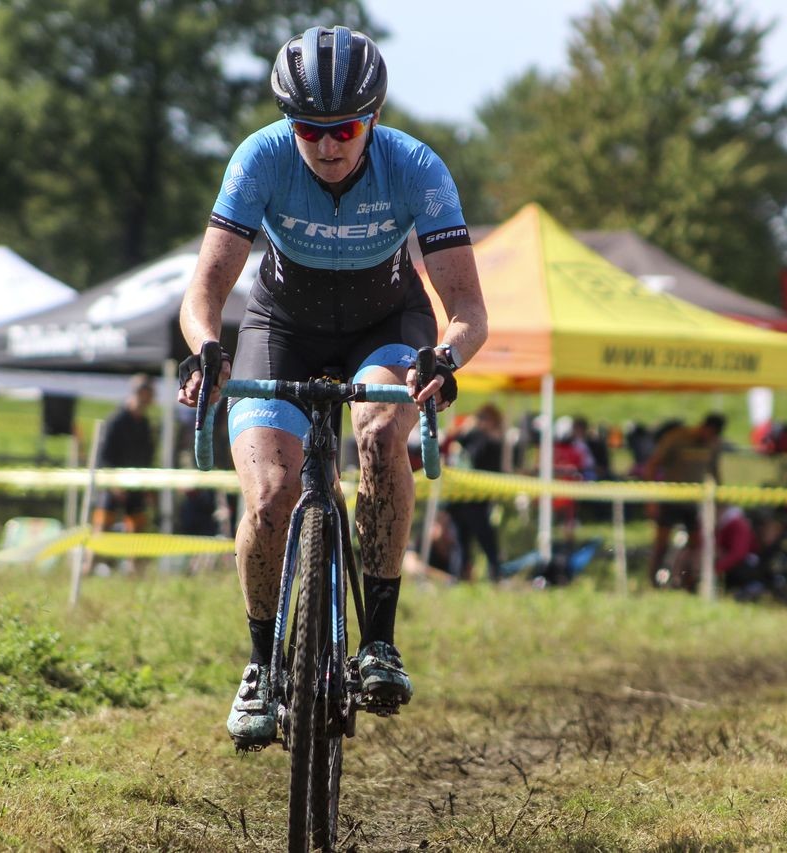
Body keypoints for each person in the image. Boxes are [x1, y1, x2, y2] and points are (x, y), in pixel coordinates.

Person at [177, 26, 488, 750]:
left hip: (386, 323)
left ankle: (377, 640)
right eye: (309, 129)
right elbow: (205, 290)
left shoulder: (416, 166)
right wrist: (206, 350)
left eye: (343, 127)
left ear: (372, 117)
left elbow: (468, 310)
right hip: (281, 323)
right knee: (269, 493)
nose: (326, 145)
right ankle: (260, 665)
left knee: (380, 434)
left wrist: (444, 357)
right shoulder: (259, 158)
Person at [641, 412, 726, 584]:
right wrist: (651, 498)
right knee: (661, 544)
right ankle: (652, 581)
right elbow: (652, 464)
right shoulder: (677, 438)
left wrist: (720, 501)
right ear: (704, 426)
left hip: (692, 503)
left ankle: (688, 581)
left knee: (695, 545)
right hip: (670, 499)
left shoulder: (713, 444)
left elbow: (715, 473)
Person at [85, 374, 157, 574]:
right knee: (102, 527)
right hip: (112, 483)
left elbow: (147, 458)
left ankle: (135, 571)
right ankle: (89, 567)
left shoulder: (145, 424)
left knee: (137, 529)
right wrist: (114, 484)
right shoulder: (116, 421)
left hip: (136, 485)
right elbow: (103, 456)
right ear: (142, 393)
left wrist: (148, 486)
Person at [447, 403, 505, 582]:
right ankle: (458, 577)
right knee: (461, 542)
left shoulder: (492, 440)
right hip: (459, 498)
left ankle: (495, 574)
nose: (481, 421)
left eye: (485, 418)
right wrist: (466, 429)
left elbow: (480, 458)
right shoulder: (470, 435)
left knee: (486, 539)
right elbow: (450, 443)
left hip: (478, 499)